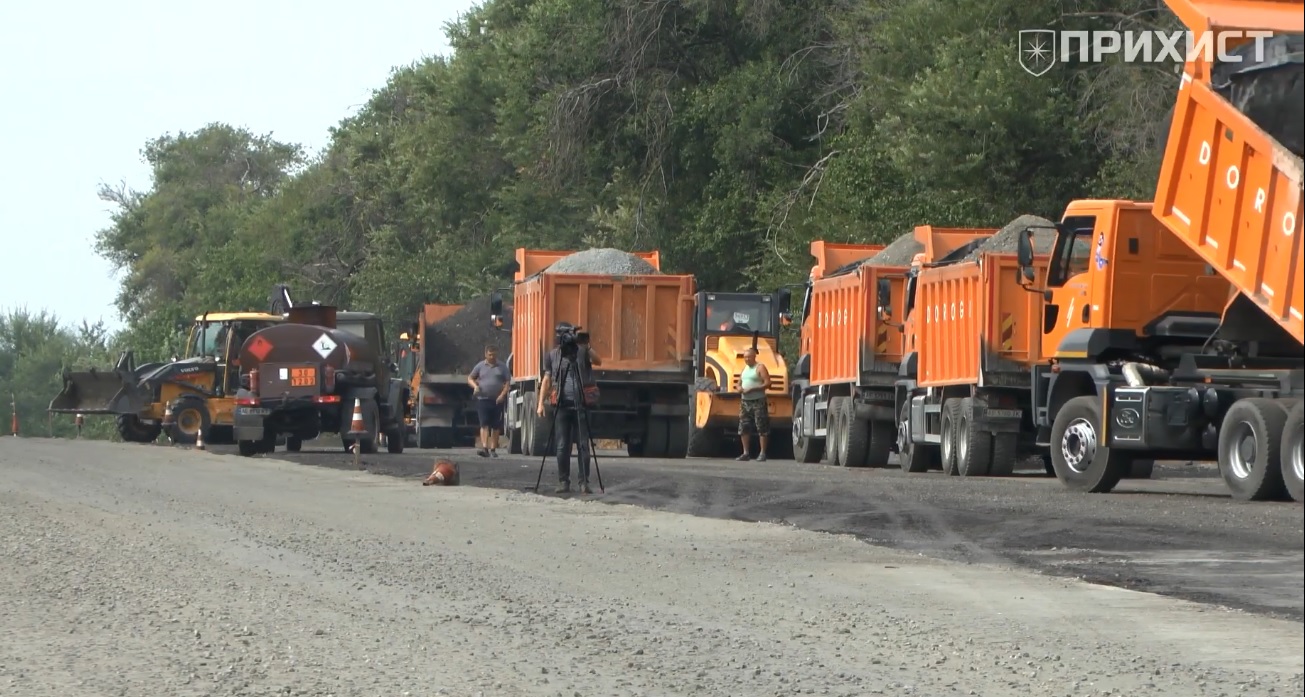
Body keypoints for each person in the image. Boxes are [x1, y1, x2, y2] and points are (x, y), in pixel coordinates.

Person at [537, 325, 602, 494]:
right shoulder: (552, 355)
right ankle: (563, 481)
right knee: (561, 445)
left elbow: (598, 361)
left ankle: (584, 482)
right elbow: (547, 379)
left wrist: (586, 345)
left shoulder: (581, 351)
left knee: (583, 445)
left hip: (581, 404)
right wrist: (540, 403)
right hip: (562, 405)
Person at [468, 345, 511, 458]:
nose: (492, 357)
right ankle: (485, 448)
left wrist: (502, 395)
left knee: (496, 426)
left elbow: (507, 383)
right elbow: (470, 378)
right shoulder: (480, 366)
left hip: (497, 400)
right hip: (483, 400)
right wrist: (475, 386)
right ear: (486, 354)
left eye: (494, 354)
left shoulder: (502, 367)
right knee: (484, 424)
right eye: (490, 354)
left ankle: (493, 449)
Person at [736, 346, 771, 461]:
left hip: (758, 401)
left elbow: (767, 383)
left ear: (754, 357)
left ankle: (762, 453)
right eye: (745, 357)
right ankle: (745, 452)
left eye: (749, 357)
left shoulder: (760, 367)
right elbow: (738, 383)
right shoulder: (744, 369)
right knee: (744, 426)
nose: (747, 359)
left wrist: (754, 389)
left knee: (761, 426)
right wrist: (739, 388)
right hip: (745, 401)